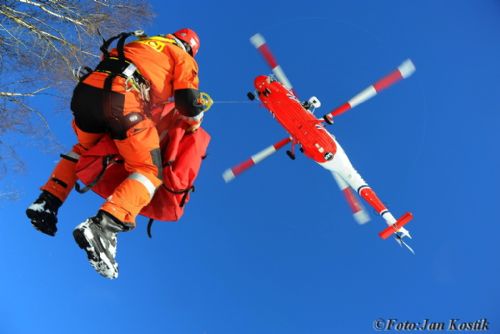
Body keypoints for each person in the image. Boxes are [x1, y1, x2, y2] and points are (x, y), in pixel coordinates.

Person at [26, 28, 206, 279]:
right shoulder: (182, 57)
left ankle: (47, 202)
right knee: (149, 170)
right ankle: (104, 228)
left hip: (86, 95)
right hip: (123, 99)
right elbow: (187, 101)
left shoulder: (140, 42)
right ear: (191, 49)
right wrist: (196, 119)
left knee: (85, 149)